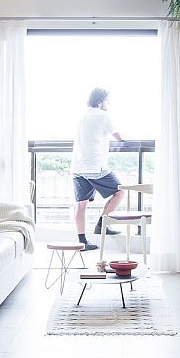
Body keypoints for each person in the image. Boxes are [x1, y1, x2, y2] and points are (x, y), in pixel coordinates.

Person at [71, 87, 122, 251]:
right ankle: (102, 224)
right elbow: (119, 136)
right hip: (94, 167)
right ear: (100, 102)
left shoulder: (82, 115)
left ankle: (82, 242)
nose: (109, 104)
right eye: (107, 100)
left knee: (81, 205)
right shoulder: (103, 116)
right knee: (120, 191)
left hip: (77, 167)